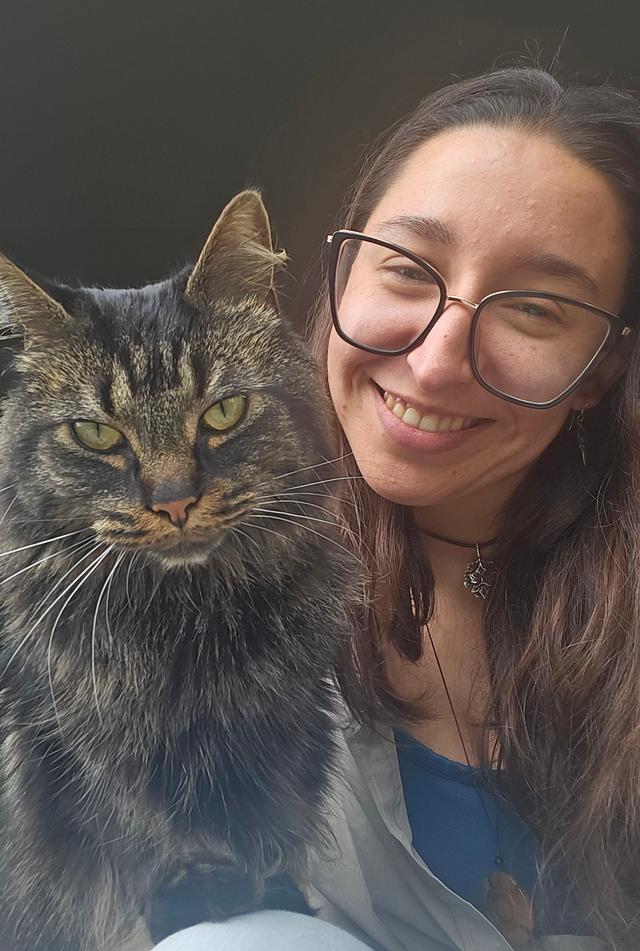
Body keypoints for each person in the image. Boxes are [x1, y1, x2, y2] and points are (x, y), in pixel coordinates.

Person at [156, 66, 640, 951]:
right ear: (340, 276)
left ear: (599, 372)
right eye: (409, 269)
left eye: (533, 308)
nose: (436, 359)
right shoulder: (195, 566)